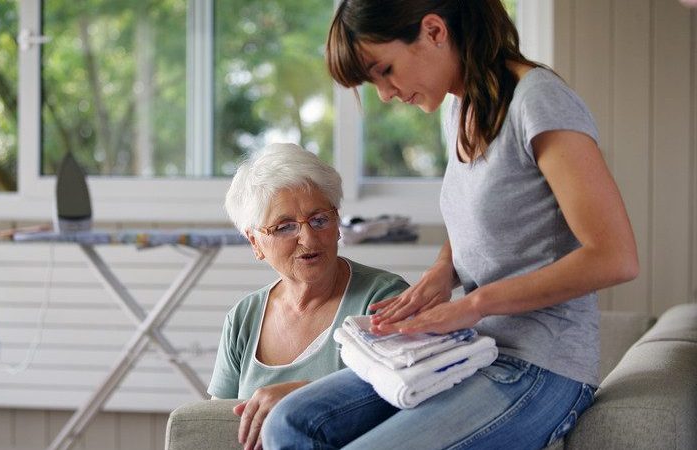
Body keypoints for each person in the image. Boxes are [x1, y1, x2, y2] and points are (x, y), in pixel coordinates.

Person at [263, 1, 639, 449]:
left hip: (541, 367)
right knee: (289, 424)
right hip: (470, 350)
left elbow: (614, 258)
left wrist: (475, 304)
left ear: (434, 31)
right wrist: (444, 272)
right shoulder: (457, 108)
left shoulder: (538, 100)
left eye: (384, 70)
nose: (384, 93)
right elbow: (483, 215)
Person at [209, 142, 410, 450]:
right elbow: (216, 427)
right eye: (285, 227)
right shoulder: (243, 318)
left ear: (338, 223)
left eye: (320, 219)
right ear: (255, 243)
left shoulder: (383, 298)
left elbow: (405, 403)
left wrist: (303, 400)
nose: (308, 237)